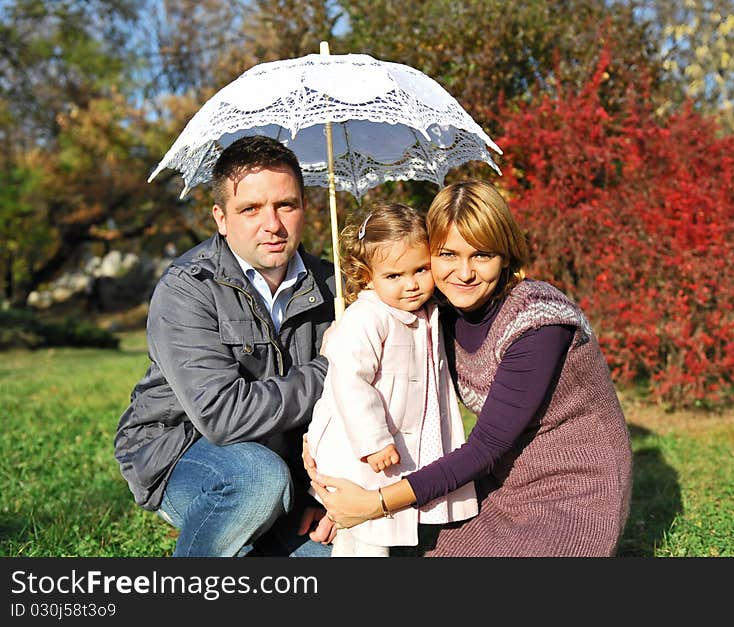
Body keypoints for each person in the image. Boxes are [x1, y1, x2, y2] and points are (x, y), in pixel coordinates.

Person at [307, 180, 633, 557]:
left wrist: (374, 504)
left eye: (482, 255)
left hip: (575, 488)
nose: (463, 273)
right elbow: (365, 378)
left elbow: (486, 446)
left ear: (506, 256)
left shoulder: (538, 322)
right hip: (502, 482)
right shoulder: (437, 316)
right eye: (447, 254)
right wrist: (331, 456)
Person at [114, 135, 337, 557]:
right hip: (179, 452)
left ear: (304, 209)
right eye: (250, 209)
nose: (271, 224)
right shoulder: (187, 289)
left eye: (285, 205)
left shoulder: (333, 286)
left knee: (338, 557)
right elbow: (222, 417)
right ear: (221, 218)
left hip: (292, 467)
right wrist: (329, 371)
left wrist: (325, 495)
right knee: (255, 480)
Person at [307, 204, 478, 557]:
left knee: (375, 529)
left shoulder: (426, 312)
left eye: (421, 270)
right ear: (368, 276)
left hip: (396, 443)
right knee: (368, 533)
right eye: (394, 276)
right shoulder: (368, 317)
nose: (412, 284)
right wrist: (373, 441)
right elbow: (351, 382)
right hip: (364, 448)